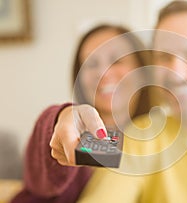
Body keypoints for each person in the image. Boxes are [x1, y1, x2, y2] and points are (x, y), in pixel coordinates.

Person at [12, 1, 187, 203]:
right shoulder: (138, 136)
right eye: (164, 56)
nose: (175, 71)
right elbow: (66, 148)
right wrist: (62, 116)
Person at [11, 24, 151, 202]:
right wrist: (61, 119)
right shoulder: (75, 133)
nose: (103, 73)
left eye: (117, 60)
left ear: (142, 70)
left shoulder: (160, 138)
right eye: (91, 64)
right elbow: (40, 173)